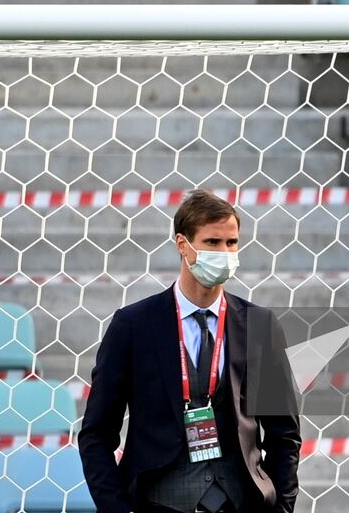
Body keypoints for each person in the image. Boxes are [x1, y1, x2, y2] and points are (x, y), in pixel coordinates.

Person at [79, 189, 302, 513]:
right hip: (158, 501)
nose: (224, 252)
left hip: (240, 503)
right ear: (183, 245)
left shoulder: (260, 326)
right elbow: (96, 433)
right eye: (213, 242)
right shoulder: (134, 325)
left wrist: (280, 508)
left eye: (232, 243)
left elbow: (284, 435)